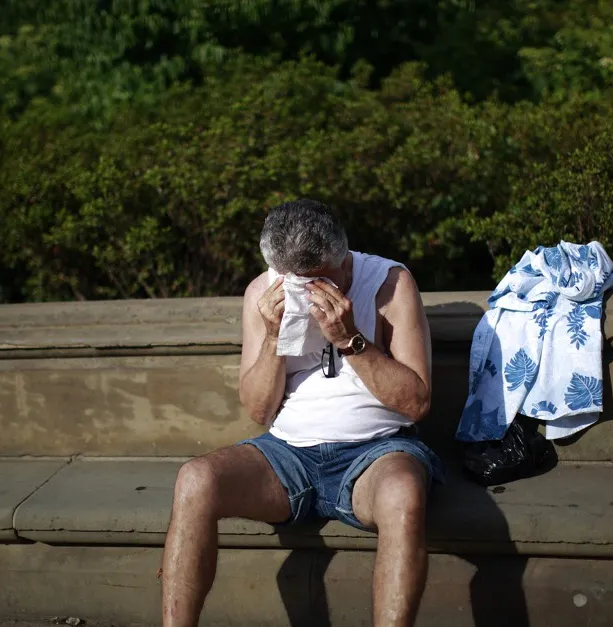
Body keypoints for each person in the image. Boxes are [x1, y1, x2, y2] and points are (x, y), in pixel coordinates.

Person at [160, 199, 444, 627]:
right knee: (195, 479)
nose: (312, 294)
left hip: (377, 453)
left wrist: (351, 340)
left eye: (325, 280)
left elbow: (417, 403)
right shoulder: (262, 293)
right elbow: (258, 410)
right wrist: (274, 338)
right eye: (300, 283)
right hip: (287, 454)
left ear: (345, 257)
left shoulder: (390, 283)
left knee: (404, 493)